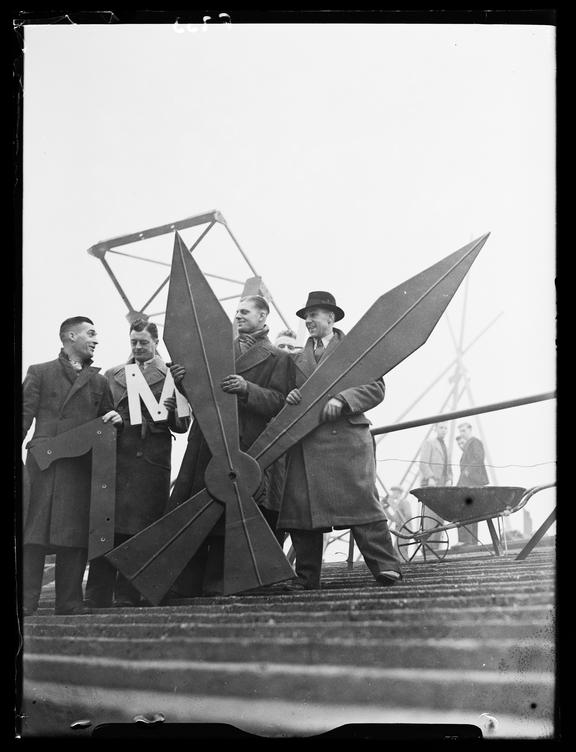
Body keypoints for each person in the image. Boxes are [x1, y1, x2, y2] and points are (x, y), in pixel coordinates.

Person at [167, 295, 296, 595]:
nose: (238, 316)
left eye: (245, 312)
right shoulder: (216, 350)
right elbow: (200, 394)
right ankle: (187, 584)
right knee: (195, 509)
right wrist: (182, 381)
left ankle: (219, 583)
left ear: (263, 316)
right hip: (206, 444)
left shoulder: (279, 358)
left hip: (245, 446)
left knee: (230, 515)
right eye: (236, 311)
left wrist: (247, 389)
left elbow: (279, 402)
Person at [277, 291, 402, 591]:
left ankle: (387, 568)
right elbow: (284, 395)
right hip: (306, 442)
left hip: (346, 439)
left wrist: (344, 399)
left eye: (314, 315)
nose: (308, 320)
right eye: (305, 316)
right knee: (300, 510)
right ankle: (307, 578)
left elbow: (376, 388)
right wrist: (290, 397)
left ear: (331, 317)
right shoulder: (295, 359)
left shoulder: (355, 349)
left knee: (362, 503)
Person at [85, 319, 190, 608]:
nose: (138, 347)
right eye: (134, 342)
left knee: (142, 530)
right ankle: (97, 594)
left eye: (144, 342)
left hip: (150, 463)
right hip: (116, 459)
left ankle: (128, 593)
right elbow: (100, 415)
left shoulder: (173, 376)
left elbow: (182, 426)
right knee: (108, 526)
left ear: (156, 343)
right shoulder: (113, 374)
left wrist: (169, 414)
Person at [21, 317, 122, 616]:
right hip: (44, 464)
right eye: (90, 333)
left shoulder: (99, 381)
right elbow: (23, 415)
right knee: (34, 535)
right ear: (70, 336)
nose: (96, 339)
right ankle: (25, 603)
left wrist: (118, 420)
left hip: (80, 468)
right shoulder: (40, 372)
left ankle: (69, 602)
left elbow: (107, 419)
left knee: (75, 536)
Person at [456, 422, 489, 544]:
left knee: (465, 511)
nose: (462, 434)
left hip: (471, 482)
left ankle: (466, 541)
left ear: (470, 429)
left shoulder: (474, 442)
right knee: (471, 512)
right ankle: (471, 542)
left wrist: (468, 471)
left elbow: (479, 458)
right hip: (468, 482)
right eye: (460, 431)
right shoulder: (468, 445)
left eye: (464, 431)